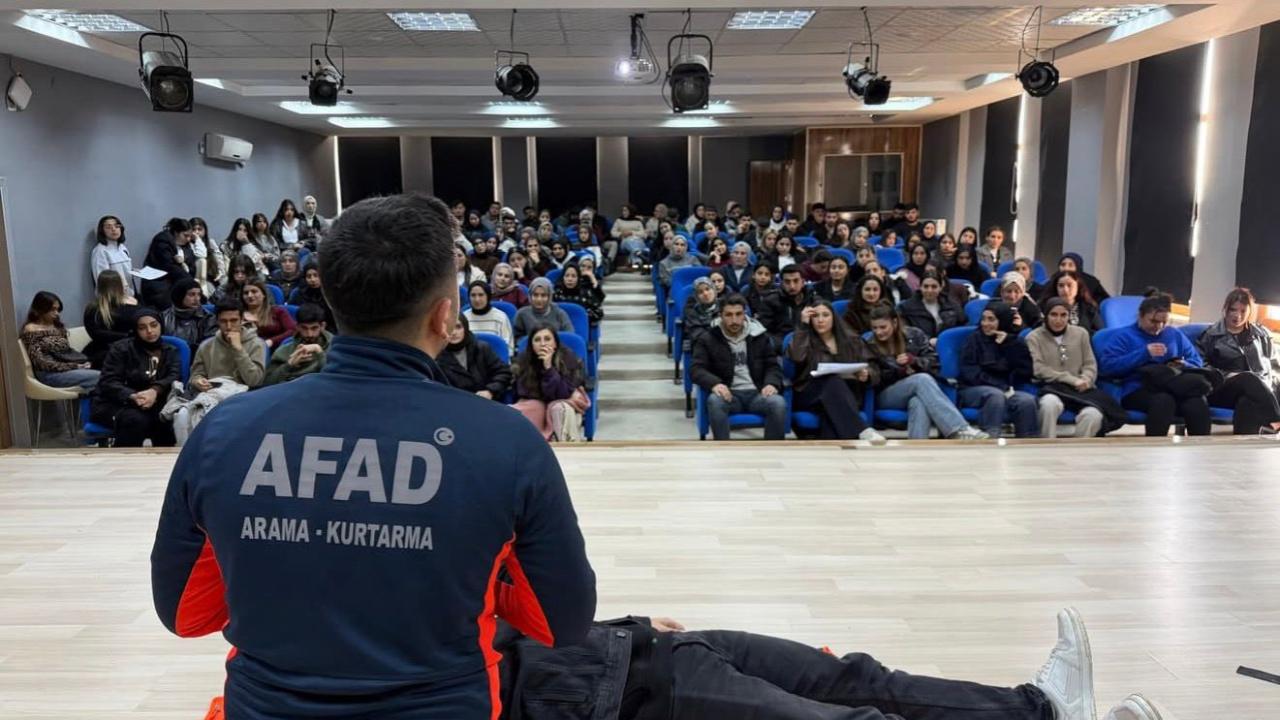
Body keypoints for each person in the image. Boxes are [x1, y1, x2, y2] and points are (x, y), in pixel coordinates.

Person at [151, 193, 596, 719]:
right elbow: (562, 622)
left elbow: (184, 614)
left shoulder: (224, 428)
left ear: (334, 302)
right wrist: (480, 578)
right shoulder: (509, 440)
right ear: (444, 314)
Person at [1097, 290, 1211, 437]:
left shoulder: (1173, 334)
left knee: (1196, 402)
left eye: (1164, 322)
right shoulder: (1124, 336)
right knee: (1164, 401)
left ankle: (1201, 450)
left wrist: (1182, 364)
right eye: (1153, 321)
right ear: (1141, 316)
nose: (1158, 327)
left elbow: (1196, 361)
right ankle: (1154, 450)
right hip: (1137, 387)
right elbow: (1107, 367)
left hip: (1174, 385)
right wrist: (1143, 354)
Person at [867, 305, 987, 440]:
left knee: (918, 402)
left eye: (883, 327)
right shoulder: (868, 344)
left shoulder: (915, 335)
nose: (878, 332)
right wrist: (899, 372)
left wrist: (915, 361)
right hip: (886, 394)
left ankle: (917, 448)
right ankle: (959, 429)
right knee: (921, 379)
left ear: (894, 323)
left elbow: (934, 362)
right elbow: (874, 376)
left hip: (919, 389)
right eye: (874, 328)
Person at [690, 294, 788, 441]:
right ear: (720, 316)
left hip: (757, 392)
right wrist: (715, 383)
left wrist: (771, 383)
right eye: (729, 315)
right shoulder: (708, 338)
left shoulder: (759, 336)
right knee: (714, 401)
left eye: (738, 314)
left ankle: (772, 450)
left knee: (778, 403)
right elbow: (696, 369)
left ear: (745, 314)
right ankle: (723, 450)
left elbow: (772, 365)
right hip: (729, 394)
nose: (734, 320)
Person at [788, 299, 886, 443]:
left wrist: (867, 374)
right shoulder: (804, 338)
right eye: (816, 316)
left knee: (830, 414)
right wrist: (802, 326)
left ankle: (834, 457)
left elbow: (874, 367)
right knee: (831, 381)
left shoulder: (852, 340)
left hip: (846, 393)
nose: (820, 320)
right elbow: (796, 357)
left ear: (834, 317)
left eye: (825, 315)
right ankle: (862, 430)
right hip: (810, 392)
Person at [1027, 299, 1127, 439]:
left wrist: (1085, 379)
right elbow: (1039, 369)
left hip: (1081, 390)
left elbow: (1090, 364)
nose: (1058, 320)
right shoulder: (1034, 337)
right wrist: (1072, 380)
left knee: (1093, 415)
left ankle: (1077, 453)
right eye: (1053, 315)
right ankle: (1046, 447)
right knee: (1048, 405)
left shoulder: (1081, 333)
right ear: (1046, 316)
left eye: (1063, 315)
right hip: (1053, 388)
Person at [88, 307, 179, 447]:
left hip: (153, 401)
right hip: (116, 403)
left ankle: (163, 465)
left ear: (161, 325)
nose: (149, 331)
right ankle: (124, 463)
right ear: (135, 330)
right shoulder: (121, 349)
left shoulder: (170, 350)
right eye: (142, 328)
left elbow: (173, 375)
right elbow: (108, 381)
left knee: (163, 420)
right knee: (136, 420)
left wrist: (154, 390)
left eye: (154, 325)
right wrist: (133, 396)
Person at [1197, 287, 1280, 435]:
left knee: (1247, 401)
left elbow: (1274, 365)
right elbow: (1201, 366)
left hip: (1258, 390)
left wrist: (1270, 380)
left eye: (1243, 311)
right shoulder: (1211, 335)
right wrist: (1228, 375)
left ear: (1250, 312)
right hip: (1222, 388)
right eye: (1233, 310)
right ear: (1226, 309)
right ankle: (1275, 419)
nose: (1237, 315)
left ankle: (1244, 448)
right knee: (1248, 378)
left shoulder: (1261, 334)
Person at [959, 303, 1039, 438]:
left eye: (991, 320)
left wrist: (1008, 345)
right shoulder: (974, 339)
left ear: (1003, 320)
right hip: (974, 389)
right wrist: (1001, 387)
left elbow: (1026, 371)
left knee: (1027, 401)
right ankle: (990, 438)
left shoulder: (1015, 341)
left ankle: (1027, 445)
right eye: (983, 319)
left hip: (1008, 390)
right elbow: (970, 373)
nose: (985, 323)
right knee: (995, 395)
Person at [512, 326, 591, 441]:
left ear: (555, 343)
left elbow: (564, 393)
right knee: (519, 410)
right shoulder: (524, 360)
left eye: (547, 339)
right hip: (536, 402)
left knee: (558, 408)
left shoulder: (568, 357)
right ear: (532, 345)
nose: (543, 343)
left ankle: (565, 448)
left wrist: (548, 368)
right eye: (537, 340)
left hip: (565, 402)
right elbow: (524, 391)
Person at [19, 291, 100, 392]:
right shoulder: (31, 329)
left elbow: (66, 353)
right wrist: (75, 366)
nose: (56, 313)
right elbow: (40, 362)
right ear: (42, 309)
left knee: (110, 372)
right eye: (52, 309)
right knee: (100, 378)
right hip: (49, 373)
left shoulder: (56, 326)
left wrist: (78, 364)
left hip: (66, 368)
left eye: (57, 309)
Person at [188, 301, 267, 392]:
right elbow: (195, 376)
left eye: (234, 321)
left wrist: (239, 349)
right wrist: (197, 381)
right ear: (217, 321)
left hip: (243, 397)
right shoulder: (206, 346)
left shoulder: (257, 344)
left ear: (242, 320)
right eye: (223, 321)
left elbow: (254, 381)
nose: (229, 326)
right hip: (212, 394)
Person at [436, 315, 512, 401]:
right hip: (455, 404)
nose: (454, 332)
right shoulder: (437, 355)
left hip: (486, 402)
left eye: (458, 327)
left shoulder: (481, 348)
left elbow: (503, 373)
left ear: (465, 328)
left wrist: (490, 390)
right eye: (450, 328)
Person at [264, 304, 333, 386]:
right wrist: (289, 365)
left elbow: (334, 380)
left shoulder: (334, 347)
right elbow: (267, 383)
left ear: (322, 326)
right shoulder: (285, 350)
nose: (309, 334)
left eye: (314, 328)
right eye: (304, 328)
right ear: (297, 327)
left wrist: (319, 352)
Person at [83, 269, 138, 368]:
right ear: (119, 286)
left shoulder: (92, 308)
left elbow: (95, 333)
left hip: (103, 352)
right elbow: (97, 333)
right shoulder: (96, 309)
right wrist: (128, 335)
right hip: (112, 352)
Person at [141, 218, 193, 310]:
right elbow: (168, 266)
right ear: (176, 232)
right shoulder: (162, 240)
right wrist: (189, 281)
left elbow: (193, 263)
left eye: (190, 236)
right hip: (160, 285)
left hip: (177, 284)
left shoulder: (186, 246)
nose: (188, 239)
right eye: (185, 235)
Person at [899, 272, 963, 343]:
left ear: (941, 287)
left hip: (949, 344)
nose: (929, 290)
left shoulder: (952, 304)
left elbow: (962, 326)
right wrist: (928, 341)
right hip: (921, 348)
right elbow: (906, 333)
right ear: (920, 287)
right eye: (926, 286)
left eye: (934, 287)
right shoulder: (906, 307)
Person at [761, 265, 815, 347]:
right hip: (781, 346)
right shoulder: (770, 301)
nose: (792, 286)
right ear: (781, 283)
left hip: (809, 345)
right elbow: (764, 331)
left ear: (803, 282)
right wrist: (784, 344)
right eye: (787, 282)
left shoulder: (813, 301)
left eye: (796, 281)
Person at [162, 278, 217, 356]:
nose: (197, 299)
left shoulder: (208, 318)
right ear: (180, 295)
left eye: (199, 294)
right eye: (192, 294)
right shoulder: (164, 317)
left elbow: (208, 346)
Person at [514, 277, 575, 343]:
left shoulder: (560, 314)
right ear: (530, 296)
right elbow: (517, 339)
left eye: (543, 295)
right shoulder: (522, 314)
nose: (539, 299)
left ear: (549, 296)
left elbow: (570, 338)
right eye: (535, 295)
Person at [1040, 271, 1102, 335]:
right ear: (1056, 288)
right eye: (1061, 286)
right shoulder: (1044, 306)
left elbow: (1101, 333)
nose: (1065, 290)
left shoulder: (1089, 309)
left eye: (1069, 285)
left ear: (1078, 287)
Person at [241, 279, 296, 351]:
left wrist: (272, 341)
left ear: (263, 294)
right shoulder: (238, 315)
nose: (250, 295)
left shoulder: (278, 311)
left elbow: (293, 330)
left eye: (254, 292)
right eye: (246, 293)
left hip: (276, 350)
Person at [90, 215, 135, 297]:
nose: (114, 229)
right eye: (108, 227)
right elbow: (101, 279)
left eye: (117, 226)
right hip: (113, 297)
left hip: (128, 294)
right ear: (102, 231)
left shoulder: (122, 248)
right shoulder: (100, 251)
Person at [465, 281, 515, 350]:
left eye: (481, 295)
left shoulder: (501, 317)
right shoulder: (464, 318)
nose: (477, 299)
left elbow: (508, 348)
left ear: (488, 296)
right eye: (473, 295)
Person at [287, 261, 336, 331]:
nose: (312, 279)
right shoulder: (299, 293)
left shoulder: (330, 294)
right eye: (309, 276)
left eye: (316, 275)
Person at [680, 277, 720, 357]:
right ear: (696, 296)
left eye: (708, 289)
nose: (705, 294)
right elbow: (696, 333)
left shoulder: (724, 306)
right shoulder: (692, 311)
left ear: (714, 290)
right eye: (700, 292)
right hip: (702, 348)